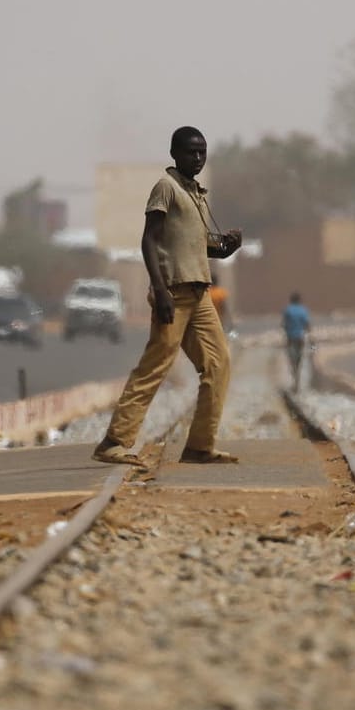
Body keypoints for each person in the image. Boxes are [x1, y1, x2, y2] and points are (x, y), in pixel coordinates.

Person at [92, 126, 243, 466]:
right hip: (173, 292)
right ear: (175, 154)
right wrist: (159, 289)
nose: (198, 158)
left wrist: (227, 247)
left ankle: (200, 446)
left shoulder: (197, 194)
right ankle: (114, 441)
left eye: (203, 152)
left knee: (219, 364)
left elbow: (200, 248)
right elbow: (149, 239)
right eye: (191, 152)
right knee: (156, 365)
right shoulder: (167, 188)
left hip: (200, 293)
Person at [281, 292, 311, 389]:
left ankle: (294, 375)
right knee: (299, 356)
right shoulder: (303, 310)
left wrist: (287, 329)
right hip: (300, 338)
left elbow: (283, 324)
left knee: (291, 356)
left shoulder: (288, 310)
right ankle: (297, 374)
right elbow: (307, 324)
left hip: (290, 337)